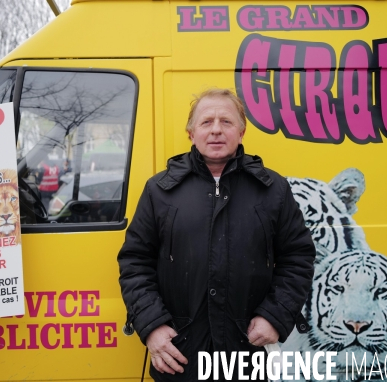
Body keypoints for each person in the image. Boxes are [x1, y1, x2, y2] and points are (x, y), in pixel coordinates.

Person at [117, 88, 315, 381]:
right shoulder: (160, 191)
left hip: (249, 354)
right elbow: (135, 263)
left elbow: (298, 258)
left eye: (226, 122)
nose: (216, 131)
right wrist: (152, 326)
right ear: (191, 133)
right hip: (179, 355)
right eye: (206, 122)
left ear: (242, 131)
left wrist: (275, 316)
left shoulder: (273, 190)